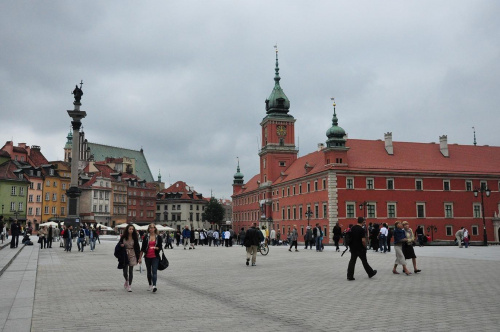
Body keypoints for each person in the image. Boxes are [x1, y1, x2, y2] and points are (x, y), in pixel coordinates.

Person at [139, 223, 163, 292]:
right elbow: (143, 248)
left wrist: (156, 248)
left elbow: (160, 247)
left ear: (155, 228)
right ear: (148, 229)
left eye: (152, 228)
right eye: (150, 228)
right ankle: (150, 284)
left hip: (155, 256)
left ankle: (154, 286)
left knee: (154, 271)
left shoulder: (158, 237)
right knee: (149, 272)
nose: (151, 229)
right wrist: (140, 258)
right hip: (147, 257)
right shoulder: (146, 237)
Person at [119, 224, 141, 292]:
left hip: (132, 254)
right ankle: (127, 280)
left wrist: (139, 257)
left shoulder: (135, 237)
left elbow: (137, 247)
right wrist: (121, 245)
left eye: (132, 229)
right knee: (125, 272)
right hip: (125, 254)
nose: (131, 230)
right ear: (127, 230)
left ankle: (129, 285)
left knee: (130, 271)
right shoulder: (123, 237)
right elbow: (119, 244)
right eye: (130, 229)